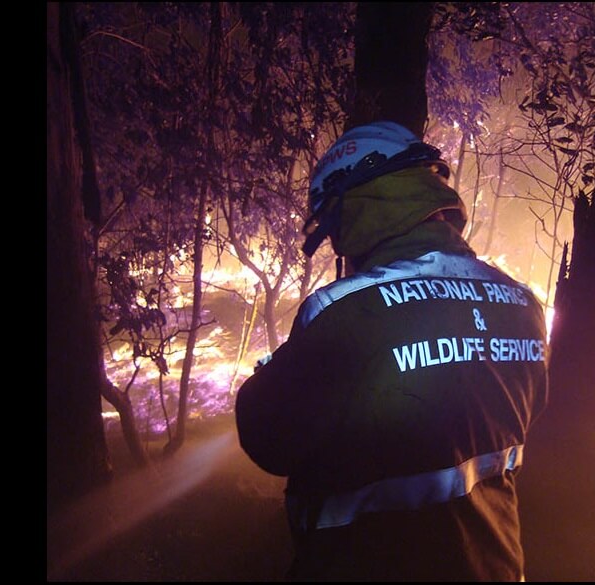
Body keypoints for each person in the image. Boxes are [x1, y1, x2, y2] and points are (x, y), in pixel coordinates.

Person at [235, 121, 549, 581]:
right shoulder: (524, 304)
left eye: (336, 228)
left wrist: (275, 368)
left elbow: (269, 440)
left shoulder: (341, 312)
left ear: (354, 212)